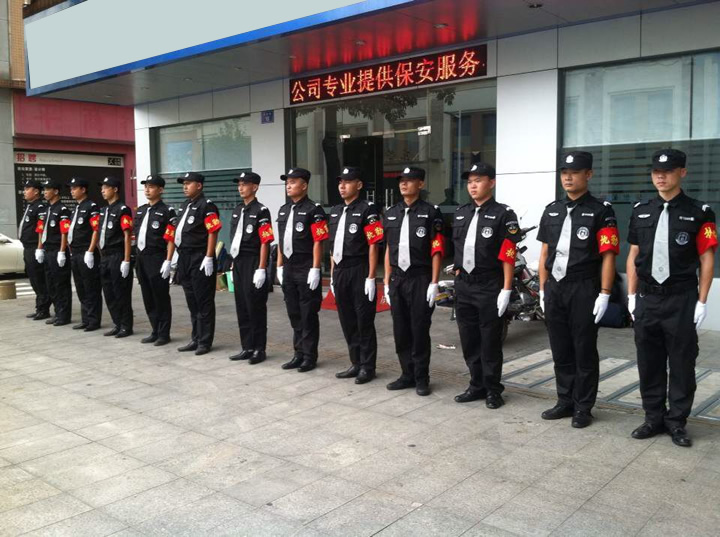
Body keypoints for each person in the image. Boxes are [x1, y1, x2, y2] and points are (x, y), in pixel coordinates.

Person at [626, 149, 717, 448]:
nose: (661, 177)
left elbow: (706, 258)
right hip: (648, 298)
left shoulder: (700, 212)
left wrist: (702, 300)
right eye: (656, 172)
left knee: (681, 363)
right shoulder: (640, 210)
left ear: (682, 173)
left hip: (681, 299)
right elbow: (634, 254)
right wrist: (631, 295)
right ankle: (653, 418)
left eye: (667, 171)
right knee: (648, 362)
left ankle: (677, 422)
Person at [537, 151, 619, 428]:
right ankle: (565, 400)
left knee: (583, 349)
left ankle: (583, 406)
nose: (568, 178)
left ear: (589, 174)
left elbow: (608, 255)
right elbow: (545, 252)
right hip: (555, 287)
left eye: (574, 172)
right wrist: (542, 290)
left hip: (583, 286)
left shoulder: (601, 211)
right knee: (560, 348)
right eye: (564, 173)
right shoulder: (552, 210)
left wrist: (605, 293)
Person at [451, 163, 520, 409]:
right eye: (470, 181)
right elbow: (458, 248)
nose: (473, 186)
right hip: (464, 285)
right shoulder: (461, 212)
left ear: (491, 183)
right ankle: (476, 385)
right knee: (469, 338)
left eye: (478, 180)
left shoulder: (504, 214)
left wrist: (506, 289)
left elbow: (509, 253)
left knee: (490, 340)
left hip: (489, 284)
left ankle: (493, 389)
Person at [382, 166, 444, 396]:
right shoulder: (391, 213)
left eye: (409, 180)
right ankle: (406, 374)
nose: (403, 184)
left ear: (421, 184)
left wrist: (434, 282)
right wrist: (386, 281)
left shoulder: (431, 212)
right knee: (400, 329)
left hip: (420, 277)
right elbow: (388, 249)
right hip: (398, 278)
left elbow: (436, 249)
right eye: (401, 180)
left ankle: (421, 377)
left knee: (419, 329)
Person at [329, 167, 383, 384]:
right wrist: (332, 275)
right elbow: (332, 246)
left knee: (363, 321)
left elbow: (374, 244)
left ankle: (368, 367)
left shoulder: (368, 210)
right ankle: (356, 362)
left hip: (359, 268)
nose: (342, 186)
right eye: (340, 182)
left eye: (348, 182)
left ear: (359, 185)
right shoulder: (335, 211)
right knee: (347, 319)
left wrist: (371, 276)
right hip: (340, 270)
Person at [276, 168, 329, 373]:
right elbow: (281, 241)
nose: (288, 185)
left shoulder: (315, 210)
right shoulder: (283, 210)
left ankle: (309, 356)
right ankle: (298, 353)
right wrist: (279, 265)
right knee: (294, 312)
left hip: (306, 266)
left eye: (293, 182)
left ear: (304, 185)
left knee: (308, 314)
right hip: (288, 267)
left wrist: (315, 268)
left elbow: (319, 241)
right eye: (287, 182)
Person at [172, 172, 222, 356]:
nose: (185, 187)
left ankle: (205, 341)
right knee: (191, 301)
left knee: (203, 301)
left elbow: (213, 231)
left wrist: (209, 256)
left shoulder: (207, 206)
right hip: (184, 257)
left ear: (199, 185)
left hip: (199, 257)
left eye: (189, 183)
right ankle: (195, 337)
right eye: (183, 184)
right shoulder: (185, 205)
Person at [228, 171, 274, 365]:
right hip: (239, 262)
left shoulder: (262, 211)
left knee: (255, 306)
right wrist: (233, 262)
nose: (240, 188)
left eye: (244, 184)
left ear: (254, 187)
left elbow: (265, 241)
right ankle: (246, 347)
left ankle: (258, 349)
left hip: (254, 262)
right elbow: (234, 238)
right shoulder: (237, 210)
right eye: (239, 184)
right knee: (242, 306)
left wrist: (262, 268)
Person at [134, 175, 176, 346]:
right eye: (146, 186)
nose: (147, 190)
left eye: (151, 187)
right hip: (141, 258)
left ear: (161, 190)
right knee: (148, 296)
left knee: (160, 297)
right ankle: (155, 330)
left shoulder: (167, 211)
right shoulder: (141, 210)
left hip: (157, 257)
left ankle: (164, 333)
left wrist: (168, 260)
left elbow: (171, 238)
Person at [91, 176, 134, 338]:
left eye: (106, 187)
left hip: (117, 254)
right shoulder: (103, 210)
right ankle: (117, 323)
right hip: (105, 256)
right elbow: (98, 233)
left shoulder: (123, 209)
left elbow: (127, 236)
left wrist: (126, 260)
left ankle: (126, 326)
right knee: (108, 292)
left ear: (115, 189)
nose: (102, 190)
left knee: (120, 292)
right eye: (102, 188)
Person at [67, 177, 102, 332]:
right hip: (75, 253)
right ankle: (86, 318)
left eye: (74, 188)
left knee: (91, 287)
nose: (72, 191)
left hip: (86, 252)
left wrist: (90, 250)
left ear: (83, 189)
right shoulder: (76, 208)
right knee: (80, 287)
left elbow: (96, 230)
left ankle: (93, 320)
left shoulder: (91, 207)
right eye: (71, 188)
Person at [37, 179, 72, 326]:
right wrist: (39, 248)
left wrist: (62, 251)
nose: (45, 192)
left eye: (48, 189)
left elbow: (64, 232)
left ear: (56, 191)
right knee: (51, 283)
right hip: (47, 250)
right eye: (44, 189)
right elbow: (40, 230)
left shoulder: (62, 210)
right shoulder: (46, 210)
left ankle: (64, 315)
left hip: (57, 250)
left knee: (61, 284)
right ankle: (58, 312)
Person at [17, 179, 51, 320]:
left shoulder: (40, 207)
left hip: (34, 248)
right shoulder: (31, 206)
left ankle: (44, 309)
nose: (24, 192)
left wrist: (39, 248)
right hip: (27, 248)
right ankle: (39, 307)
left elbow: (40, 230)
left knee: (39, 279)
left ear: (36, 191)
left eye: (27, 189)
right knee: (34, 280)